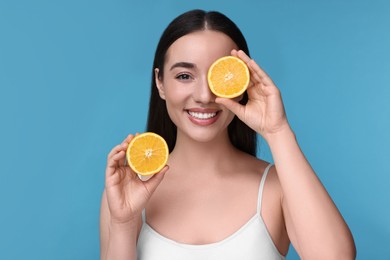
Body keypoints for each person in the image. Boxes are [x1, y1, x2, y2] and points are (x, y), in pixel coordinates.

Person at [100, 9, 356, 260]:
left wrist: (278, 131)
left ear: (242, 81)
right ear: (160, 83)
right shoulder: (130, 189)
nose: (204, 96)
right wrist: (123, 223)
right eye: (185, 75)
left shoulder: (277, 187)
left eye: (218, 76)